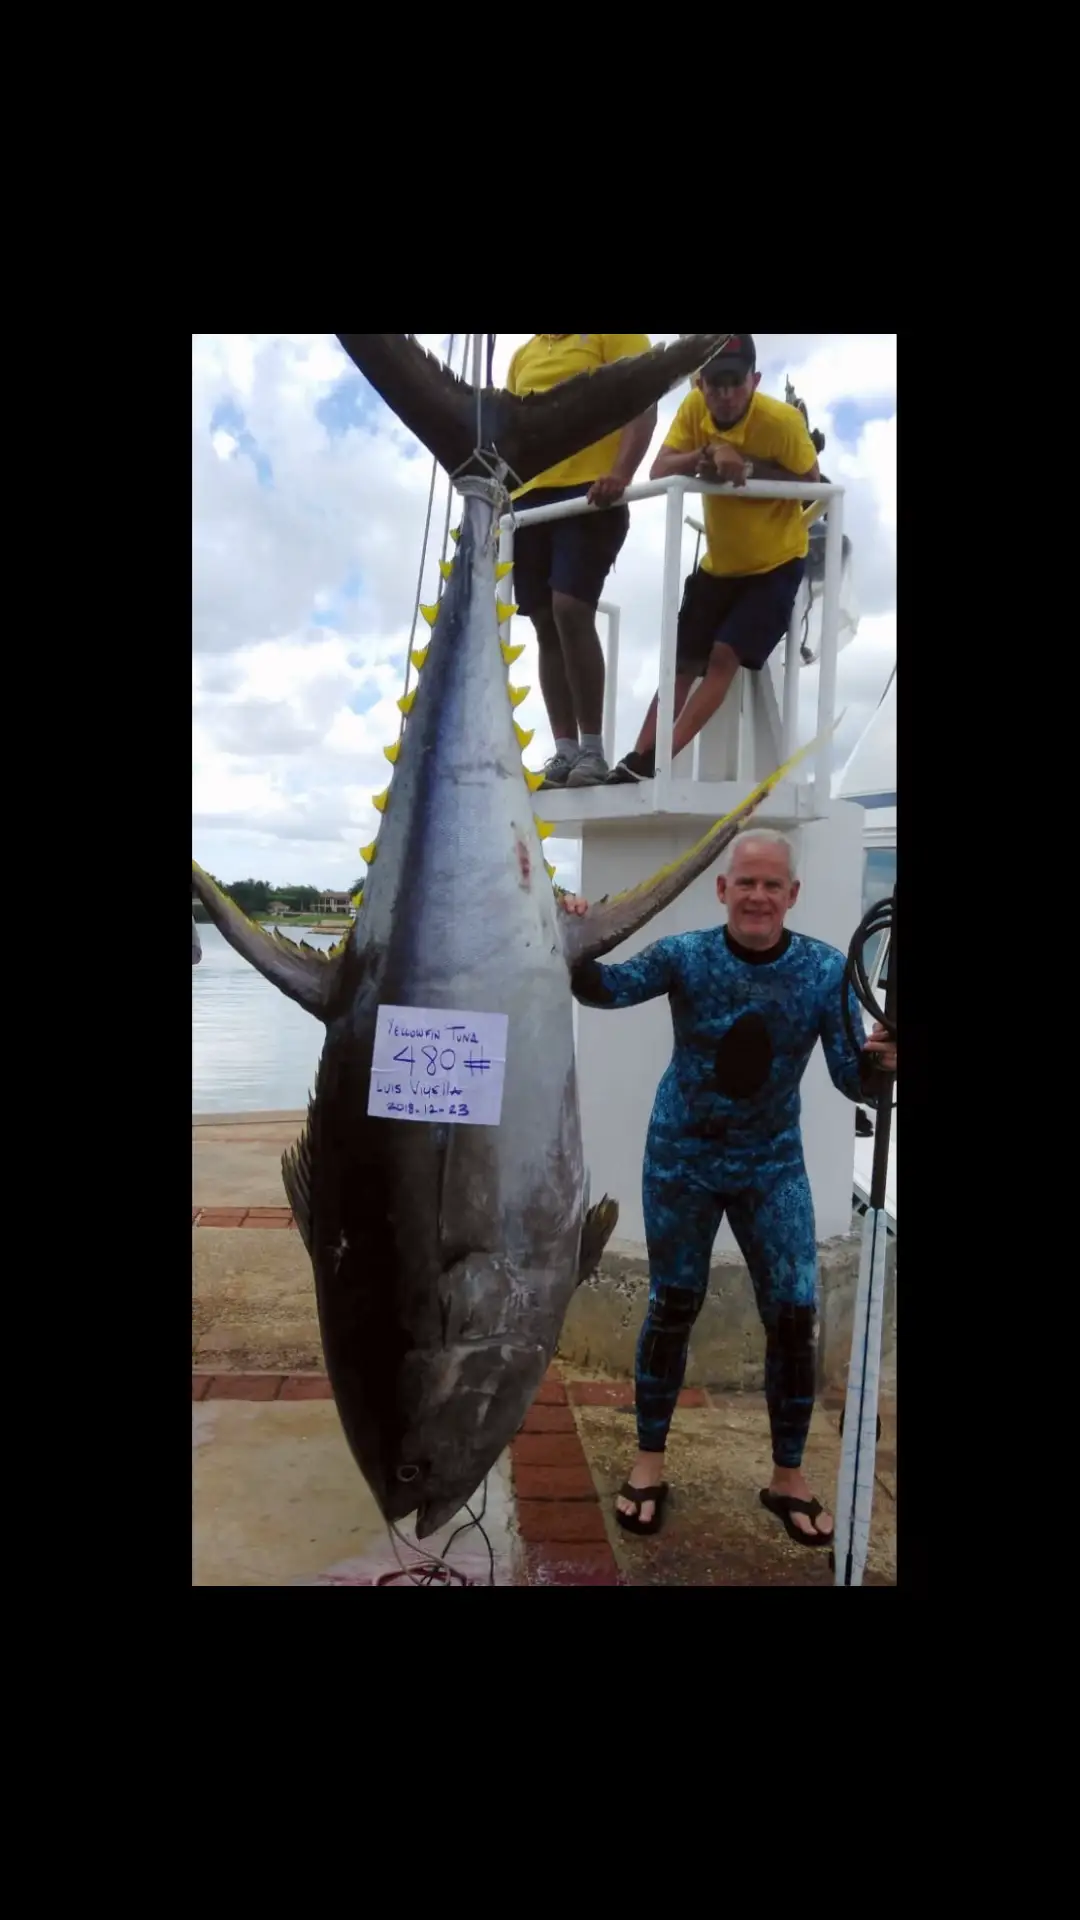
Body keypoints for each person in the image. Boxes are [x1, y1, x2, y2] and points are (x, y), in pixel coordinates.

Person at [558, 827, 896, 1545]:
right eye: (746, 882)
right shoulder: (685, 956)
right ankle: (648, 1463)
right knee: (673, 1305)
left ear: (792, 895)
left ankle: (788, 1476)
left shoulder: (823, 971)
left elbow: (850, 1078)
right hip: (681, 1159)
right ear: (723, 890)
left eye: (773, 884)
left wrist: (883, 1059)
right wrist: (576, 938)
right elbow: (604, 990)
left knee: (795, 1315)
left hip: (772, 1165)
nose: (758, 895)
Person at [606, 335, 821, 785]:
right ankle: (636, 756)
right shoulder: (693, 412)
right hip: (719, 565)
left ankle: (657, 762)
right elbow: (660, 469)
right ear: (700, 384)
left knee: (723, 657)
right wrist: (706, 454)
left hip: (775, 564)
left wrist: (744, 465)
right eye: (715, 383)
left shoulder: (780, 422)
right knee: (681, 665)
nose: (725, 395)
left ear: (754, 380)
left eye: (735, 383)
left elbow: (811, 482)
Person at [505, 334, 656, 790]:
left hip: (590, 491)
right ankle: (565, 749)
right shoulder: (523, 354)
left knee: (571, 608)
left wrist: (621, 475)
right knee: (543, 621)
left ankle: (592, 747)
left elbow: (641, 403)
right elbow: (510, 429)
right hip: (528, 498)